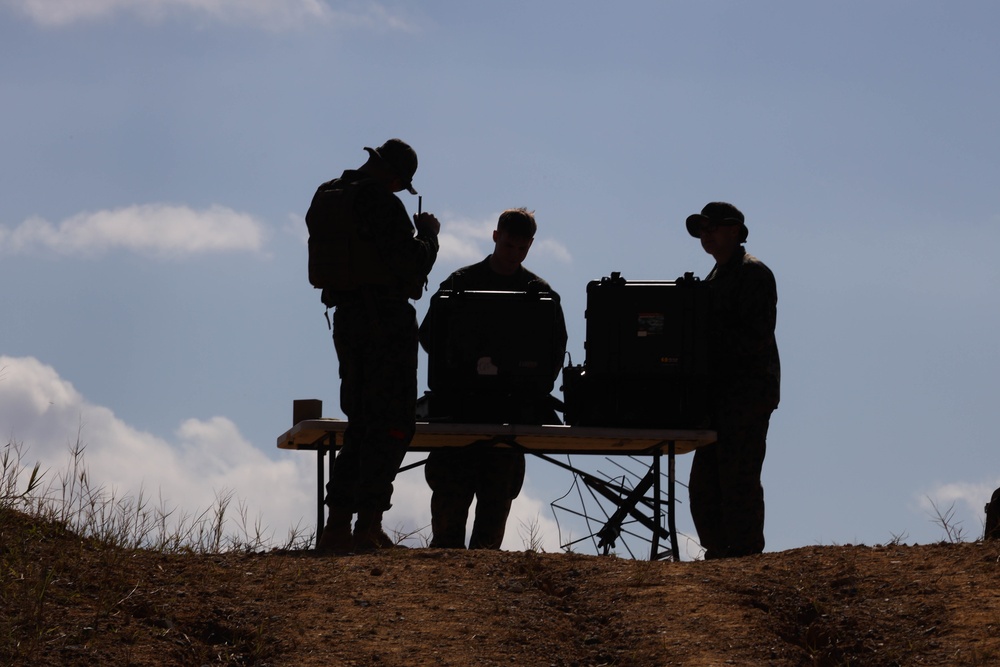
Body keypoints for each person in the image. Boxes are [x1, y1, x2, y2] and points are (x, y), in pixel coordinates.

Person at [310, 138, 440, 554]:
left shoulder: (328, 195)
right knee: (394, 423)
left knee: (361, 422)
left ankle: (336, 527)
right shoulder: (383, 204)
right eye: (401, 183)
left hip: (346, 320)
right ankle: (368, 524)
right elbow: (412, 263)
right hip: (385, 321)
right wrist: (429, 238)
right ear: (395, 175)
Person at [418, 208, 567, 549]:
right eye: (509, 245)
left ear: (530, 245)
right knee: (447, 529)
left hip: (509, 414)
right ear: (496, 236)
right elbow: (431, 337)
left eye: (521, 248)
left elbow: (553, 353)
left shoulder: (539, 294)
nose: (514, 254)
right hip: (458, 411)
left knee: (493, 518)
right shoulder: (459, 284)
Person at [684, 201, 780, 559]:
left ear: (735, 231)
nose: (705, 235)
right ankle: (721, 554)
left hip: (747, 394)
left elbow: (753, 339)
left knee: (737, 479)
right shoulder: (714, 278)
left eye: (713, 227)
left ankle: (743, 557)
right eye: (702, 229)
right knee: (705, 487)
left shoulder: (753, 274)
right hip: (719, 397)